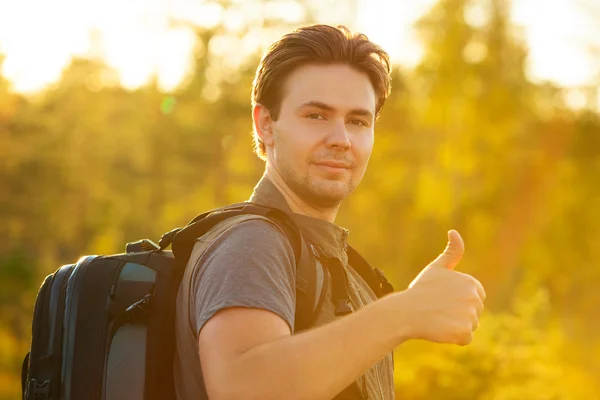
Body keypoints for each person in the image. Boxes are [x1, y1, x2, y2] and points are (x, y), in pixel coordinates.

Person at [173, 24, 486, 400]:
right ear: (266, 124)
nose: (341, 139)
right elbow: (245, 388)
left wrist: (405, 310)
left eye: (357, 121)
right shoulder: (251, 243)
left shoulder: (348, 270)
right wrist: (403, 313)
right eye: (317, 116)